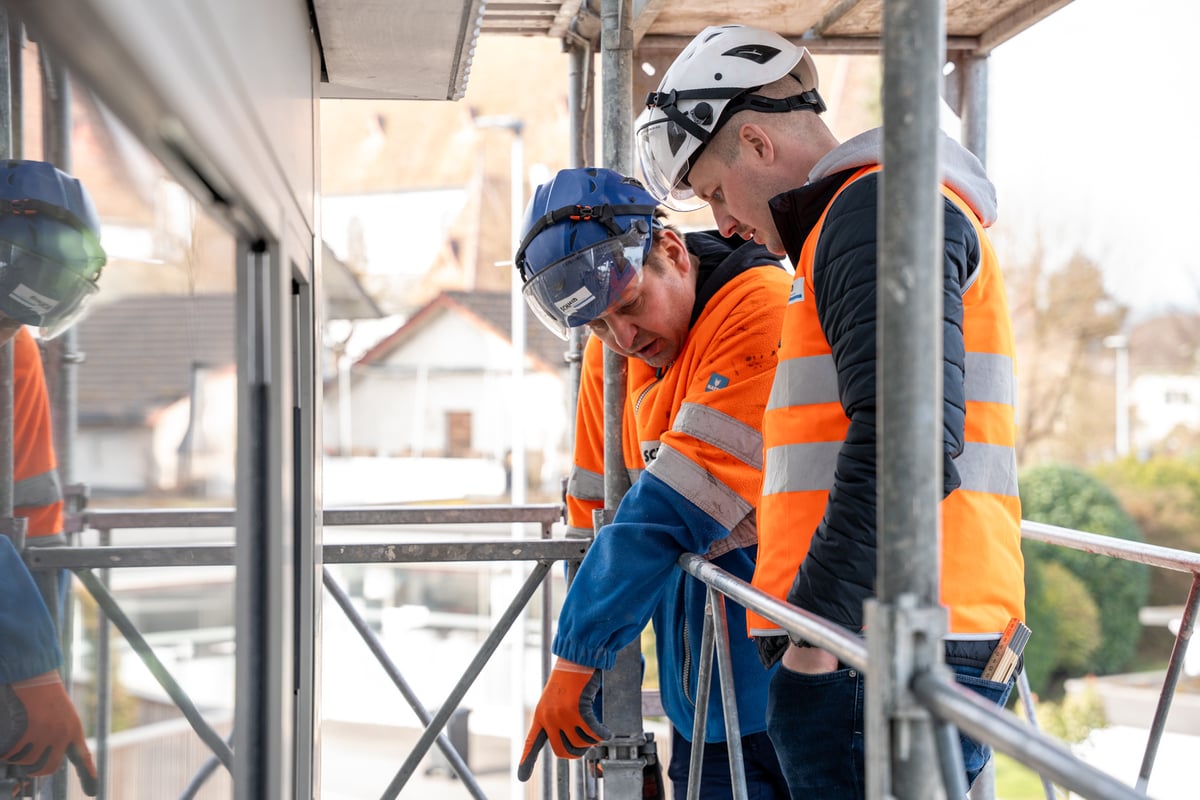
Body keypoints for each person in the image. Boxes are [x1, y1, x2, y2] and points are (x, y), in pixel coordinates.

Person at [637, 25, 1025, 798]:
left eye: (714, 192)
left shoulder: (869, 214)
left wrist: (813, 638)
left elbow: (908, 440)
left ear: (753, 140)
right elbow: (858, 433)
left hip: (869, 646)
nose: (722, 226)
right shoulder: (858, 220)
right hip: (884, 636)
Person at [513, 166, 792, 798]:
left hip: (782, 678)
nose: (625, 339)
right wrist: (607, 702)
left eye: (632, 306)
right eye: (600, 326)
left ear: (671, 251)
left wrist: (579, 655)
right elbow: (594, 511)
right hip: (697, 687)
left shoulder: (761, 309)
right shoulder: (611, 351)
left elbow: (671, 508)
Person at [0, 158, 107, 797]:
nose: (7, 333)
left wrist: (48, 671)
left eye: (16, 321)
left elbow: (39, 519)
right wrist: (33, 668)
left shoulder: (16, 355)